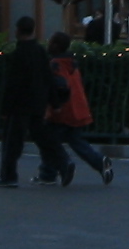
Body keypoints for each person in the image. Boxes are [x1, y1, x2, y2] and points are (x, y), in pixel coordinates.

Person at [0, 15, 63, 187]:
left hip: (20, 105)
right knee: (42, 137)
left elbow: (12, 84)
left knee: (12, 142)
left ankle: (9, 176)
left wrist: (4, 108)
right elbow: (48, 77)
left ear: (18, 30)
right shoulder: (39, 51)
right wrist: (54, 102)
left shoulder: (18, 54)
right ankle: (61, 163)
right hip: (37, 103)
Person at [47, 33, 116, 184]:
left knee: (49, 140)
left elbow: (60, 86)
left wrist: (54, 105)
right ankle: (99, 162)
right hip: (78, 107)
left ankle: (53, 170)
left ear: (55, 46)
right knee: (75, 141)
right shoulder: (71, 63)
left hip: (63, 109)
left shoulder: (55, 64)